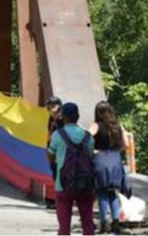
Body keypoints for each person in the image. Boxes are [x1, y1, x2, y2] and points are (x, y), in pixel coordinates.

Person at [47, 102, 96, 236]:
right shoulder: (88, 137)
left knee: (64, 225)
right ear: (78, 116)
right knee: (87, 222)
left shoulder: (57, 135)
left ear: (63, 117)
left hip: (63, 183)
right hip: (86, 183)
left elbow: (50, 156)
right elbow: (90, 156)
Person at [87, 101, 130, 234]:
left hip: (101, 161)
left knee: (102, 193)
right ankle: (116, 222)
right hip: (115, 160)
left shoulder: (96, 126)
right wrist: (117, 150)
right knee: (113, 193)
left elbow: (85, 138)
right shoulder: (118, 126)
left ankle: (104, 223)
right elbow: (127, 144)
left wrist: (92, 151)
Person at [45, 95, 65, 183]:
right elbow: (49, 132)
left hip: (61, 152)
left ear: (60, 106)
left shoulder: (63, 119)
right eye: (50, 105)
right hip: (53, 151)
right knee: (55, 175)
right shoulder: (51, 119)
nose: (51, 108)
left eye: (54, 105)